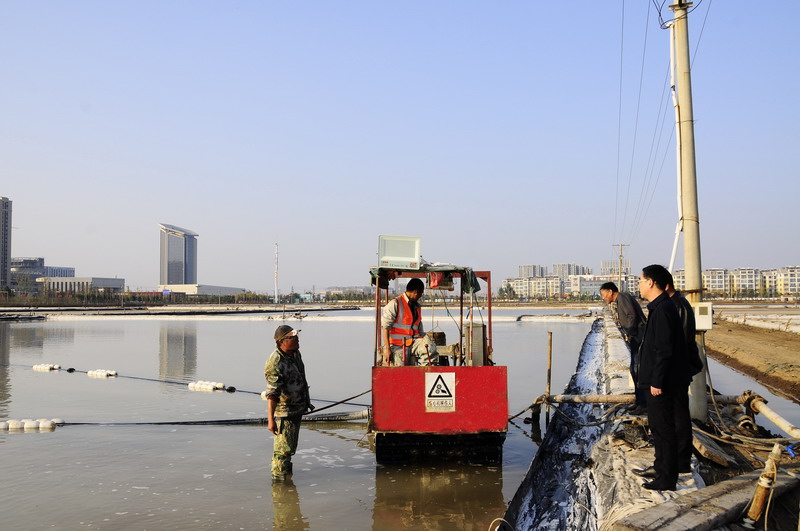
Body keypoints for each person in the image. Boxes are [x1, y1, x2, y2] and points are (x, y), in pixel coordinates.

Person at [633, 264, 693, 491]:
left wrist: (657, 381)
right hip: (665, 379)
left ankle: (667, 479)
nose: (639, 285)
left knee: (663, 429)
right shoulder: (661, 307)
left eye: (640, 280)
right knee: (663, 427)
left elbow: (664, 350)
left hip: (662, 382)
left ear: (651, 282)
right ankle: (662, 469)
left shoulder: (663, 309)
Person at [265, 325, 313, 480]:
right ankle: (279, 484)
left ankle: (287, 481)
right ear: (282, 341)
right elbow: (272, 394)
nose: (297, 339)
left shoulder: (295, 354)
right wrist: (271, 420)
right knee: (282, 451)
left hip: (296, 409)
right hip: (284, 413)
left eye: (296, 335)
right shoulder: (275, 362)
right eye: (293, 337)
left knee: (290, 448)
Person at [599, 281, 647, 413]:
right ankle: (639, 401)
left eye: (603, 294)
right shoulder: (619, 300)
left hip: (638, 337)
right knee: (634, 370)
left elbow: (631, 316)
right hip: (635, 337)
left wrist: (629, 332)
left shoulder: (623, 297)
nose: (603, 298)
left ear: (610, 291)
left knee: (637, 370)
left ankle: (643, 404)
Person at [380, 278, 437, 366]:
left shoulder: (417, 307)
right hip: (397, 345)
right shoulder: (395, 303)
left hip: (413, 342)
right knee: (399, 367)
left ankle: (424, 371)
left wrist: (426, 340)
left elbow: (419, 329)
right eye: (421, 293)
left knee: (430, 348)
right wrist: (387, 349)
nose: (420, 296)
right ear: (416, 292)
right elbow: (385, 327)